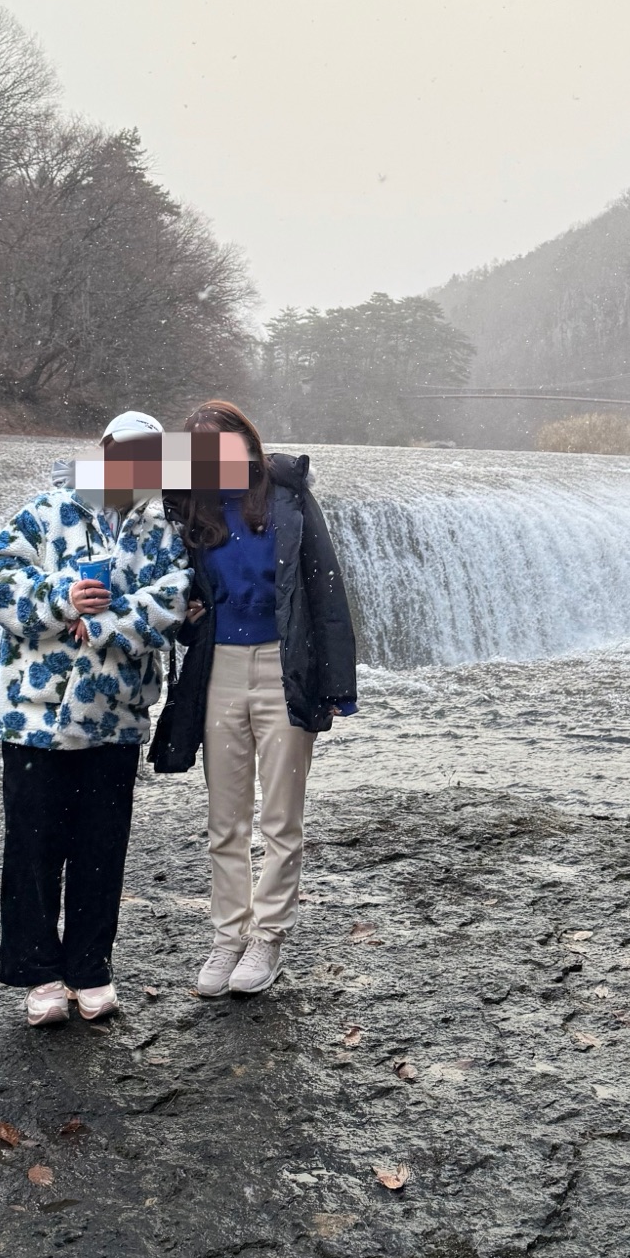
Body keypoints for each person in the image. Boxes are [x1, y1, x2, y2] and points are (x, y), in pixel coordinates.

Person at [0, 409, 191, 1026]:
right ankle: (39, 974)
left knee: (102, 848)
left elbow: (176, 594)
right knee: (33, 846)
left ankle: (91, 969)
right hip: (32, 715)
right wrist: (59, 597)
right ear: (102, 452)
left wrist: (102, 621)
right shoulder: (47, 510)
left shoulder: (160, 529)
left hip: (114, 716)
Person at [152, 400, 357, 997]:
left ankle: (268, 936)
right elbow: (187, 599)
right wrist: (188, 618)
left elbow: (326, 587)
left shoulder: (288, 497)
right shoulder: (189, 508)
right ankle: (228, 935)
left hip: (283, 666)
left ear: (247, 441)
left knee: (280, 818)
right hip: (219, 671)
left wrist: (336, 685)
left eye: (225, 447)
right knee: (226, 818)